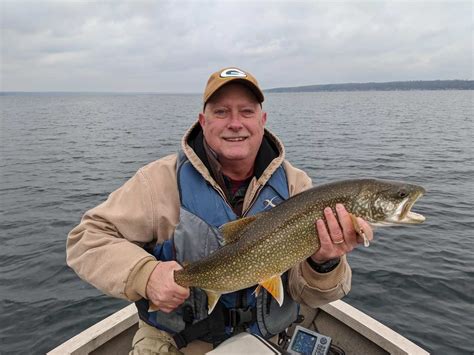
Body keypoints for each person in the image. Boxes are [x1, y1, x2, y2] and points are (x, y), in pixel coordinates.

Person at [66, 67, 373, 354]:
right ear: (203, 121)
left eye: (246, 112)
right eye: (222, 112)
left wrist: (324, 264)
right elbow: (86, 240)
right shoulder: (158, 181)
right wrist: (145, 275)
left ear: (262, 119)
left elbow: (313, 296)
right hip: (176, 342)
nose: (235, 123)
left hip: (263, 339)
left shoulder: (296, 185)